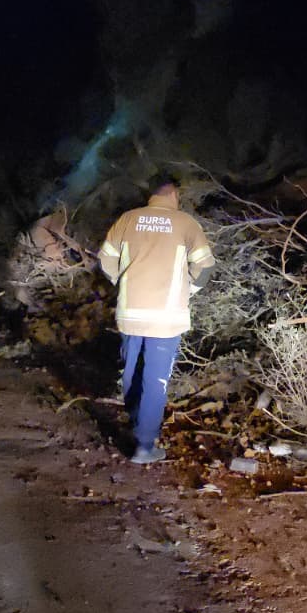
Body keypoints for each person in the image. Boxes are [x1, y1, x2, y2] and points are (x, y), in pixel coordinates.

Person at [98, 180, 215, 463]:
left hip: (131, 313)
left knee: (131, 372)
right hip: (166, 317)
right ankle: (144, 445)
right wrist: (187, 289)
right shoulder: (185, 223)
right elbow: (205, 267)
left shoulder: (128, 219)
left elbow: (105, 260)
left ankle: (137, 421)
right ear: (174, 194)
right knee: (155, 379)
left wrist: (122, 283)